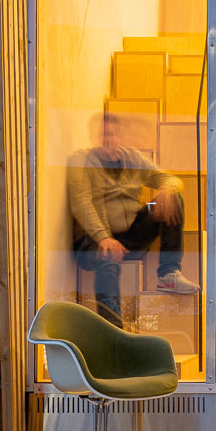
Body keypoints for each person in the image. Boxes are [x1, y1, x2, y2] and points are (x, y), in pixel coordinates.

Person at [67, 112, 199, 323]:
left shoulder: (132, 158)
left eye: (111, 134)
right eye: (102, 135)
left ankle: (169, 273)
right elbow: (82, 202)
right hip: (93, 242)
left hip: (130, 236)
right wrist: (103, 238)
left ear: (119, 135)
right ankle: (113, 330)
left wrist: (166, 188)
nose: (107, 139)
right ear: (93, 137)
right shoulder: (81, 160)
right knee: (108, 258)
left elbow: (167, 177)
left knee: (173, 198)